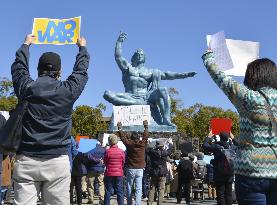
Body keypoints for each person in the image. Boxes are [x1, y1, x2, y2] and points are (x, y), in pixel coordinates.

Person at [11, 34, 89, 205]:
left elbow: (19, 69)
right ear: (59, 71)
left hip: (27, 160)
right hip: (57, 161)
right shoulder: (67, 91)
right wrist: (82, 49)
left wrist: (26, 45)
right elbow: (80, 73)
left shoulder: (27, 88)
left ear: (38, 69)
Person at [203, 51, 277, 205]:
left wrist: (209, 57)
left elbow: (222, 79)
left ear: (252, 76)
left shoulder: (249, 98)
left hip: (250, 171)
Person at [103, 32, 196, 126]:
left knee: (163, 90)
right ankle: (138, 103)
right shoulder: (127, 68)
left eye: (142, 55)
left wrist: (185, 74)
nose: (139, 55)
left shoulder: (151, 72)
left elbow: (168, 75)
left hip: (146, 96)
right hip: (129, 95)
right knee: (107, 94)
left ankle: (166, 119)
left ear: (144, 58)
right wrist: (119, 43)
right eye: (137, 54)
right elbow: (118, 57)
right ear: (133, 57)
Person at [117, 120, 149, 205]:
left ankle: (129, 203)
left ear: (131, 138)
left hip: (131, 168)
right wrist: (146, 127)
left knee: (129, 186)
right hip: (140, 168)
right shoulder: (142, 144)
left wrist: (120, 128)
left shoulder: (129, 144)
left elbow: (123, 138)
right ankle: (138, 203)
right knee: (139, 188)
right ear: (139, 138)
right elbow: (145, 137)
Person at [203, 131, 236, 205]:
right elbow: (240, 145)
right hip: (229, 174)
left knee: (220, 194)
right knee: (229, 194)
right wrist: (233, 138)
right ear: (228, 137)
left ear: (220, 137)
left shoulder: (216, 146)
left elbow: (205, 145)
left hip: (219, 173)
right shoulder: (232, 147)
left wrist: (209, 137)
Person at [147, 139, 173, 205]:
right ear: (162, 146)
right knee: (161, 189)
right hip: (162, 172)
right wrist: (170, 143)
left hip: (154, 172)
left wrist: (149, 143)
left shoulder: (152, 152)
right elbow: (170, 150)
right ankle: (160, 203)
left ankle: (149, 202)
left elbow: (147, 149)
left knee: (152, 188)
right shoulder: (165, 152)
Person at [104, 134, 125, 205]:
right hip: (119, 173)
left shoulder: (107, 151)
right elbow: (123, 162)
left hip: (109, 172)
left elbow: (105, 162)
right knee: (120, 191)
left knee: (108, 191)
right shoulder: (121, 151)